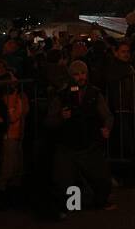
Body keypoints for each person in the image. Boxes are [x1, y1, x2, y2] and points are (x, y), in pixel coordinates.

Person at [45, 60, 114, 216]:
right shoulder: (62, 94)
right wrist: (61, 117)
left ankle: (98, 202)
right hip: (68, 143)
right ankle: (72, 206)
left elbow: (107, 115)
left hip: (89, 142)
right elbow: (49, 120)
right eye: (76, 74)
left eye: (83, 73)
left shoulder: (94, 93)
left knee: (100, 177)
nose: (80, 77)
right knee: (66, 179)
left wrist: (107, 128)